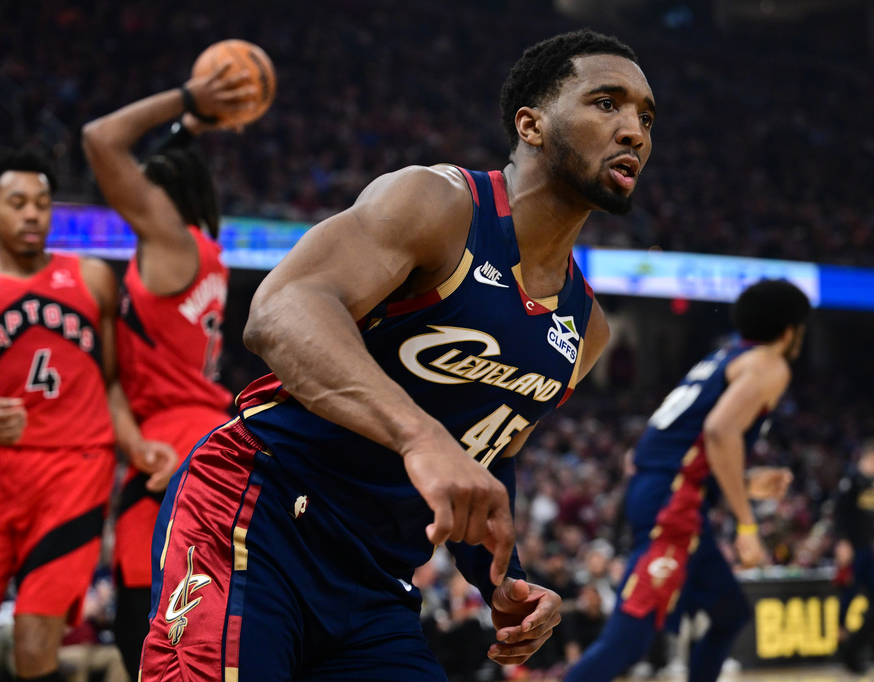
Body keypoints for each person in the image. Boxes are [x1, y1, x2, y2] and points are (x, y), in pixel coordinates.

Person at [140, 29, 655, 680]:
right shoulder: (437, 204)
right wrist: (419, 435)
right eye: (606, 103)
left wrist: (504, 579)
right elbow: (279, 309)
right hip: (255, 514)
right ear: (531, 124)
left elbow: (489, 457)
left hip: (375, 579)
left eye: (645, 114)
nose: (634, 129)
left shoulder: (587, 330)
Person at [0, 148, 142, 682]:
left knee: (34, 644)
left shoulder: (92, 279)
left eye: (42, 204)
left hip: (76, 472)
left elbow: (112, 382)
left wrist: (135, 445)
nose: (32, 215)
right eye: (17, 203)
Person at [81, 63, 255, 679]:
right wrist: (187, 127)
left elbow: (100, 138)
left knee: (145, 607)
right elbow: (162, 164)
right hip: (204, 430)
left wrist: (187, 96)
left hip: (172, 437)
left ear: (161, 197)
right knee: (193, 603)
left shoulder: (169, 242)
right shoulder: (198, 251)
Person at [565, 278, 810, 682]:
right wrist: (746, 524)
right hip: (672, 503)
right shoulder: (769, 363)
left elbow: (682, 447)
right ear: (789, 331)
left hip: (668, 492)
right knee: (629, 640)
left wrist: (744, 481)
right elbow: (719, 432)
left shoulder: (723, 357)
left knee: (730, 613)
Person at [832, 438, 874, 672]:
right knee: (848, 594)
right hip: (852, 549)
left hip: (868, 549)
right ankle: (843, 644)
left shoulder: (870, 483)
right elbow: (839, 514)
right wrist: (842, 541)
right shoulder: (851, 481)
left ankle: (857, 646)